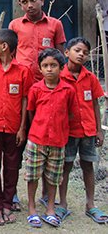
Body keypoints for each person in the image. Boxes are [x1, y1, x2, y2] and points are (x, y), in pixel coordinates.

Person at [0, 29, 33, 225]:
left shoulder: (23, 71)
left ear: (4, 47)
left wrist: (22, 128)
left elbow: (25, 100)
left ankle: (7, 204)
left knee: (11, 168)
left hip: (14, 129)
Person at [25, 48, 79, 228]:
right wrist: (40, 128)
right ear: (40, 69)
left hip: (58, 140)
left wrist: (58, 127)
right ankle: (32, 208)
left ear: (61, 67)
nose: (49, 69)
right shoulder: (35, 89)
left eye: (53, 65)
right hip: (37, 139)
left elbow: (70, 113)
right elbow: (32, 113)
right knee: (33, 175)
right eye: (45, 66)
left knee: (54, 176)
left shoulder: (68, 90)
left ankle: (50, 208)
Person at [57, 38, 106, 224]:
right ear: (66, 52)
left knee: (88, 166)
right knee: (66, 167)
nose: (81, 55)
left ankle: (90, 204)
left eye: (85, 52)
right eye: (77, 50)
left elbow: (95, 104)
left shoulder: (91, 78)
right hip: (68, 132)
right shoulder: (59, 76)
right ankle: (62, 204)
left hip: (88, 131)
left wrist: (99, 131)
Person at [9, 0, 66, 82]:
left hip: (48, 80)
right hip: (22, 78)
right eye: (25, 2)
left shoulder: (56, 24)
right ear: (20, 5)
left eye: (33, 0)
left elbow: (60, 55)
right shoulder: (14, 25)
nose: (30, 5)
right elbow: (11, 55)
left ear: (42, 1)